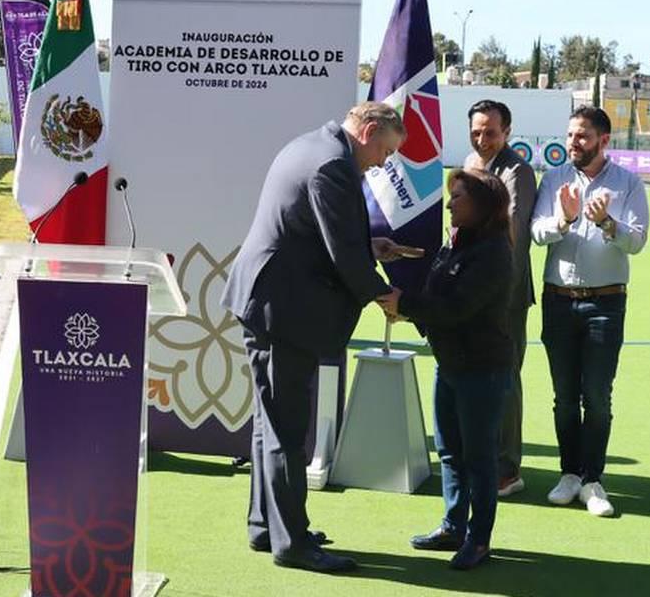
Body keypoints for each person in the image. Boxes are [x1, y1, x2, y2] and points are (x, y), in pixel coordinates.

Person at [221, 101, 419, 572]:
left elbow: (314, 232)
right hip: (282, 310)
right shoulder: (332, 163)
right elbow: (342, 257)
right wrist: (386, 294)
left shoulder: (312, 145)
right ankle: (292, 543)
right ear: (369, 130)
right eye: (386, 152)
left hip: (272, 302)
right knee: (285, 428)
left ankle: (266, 526)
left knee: (270, 422)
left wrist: (371, 246)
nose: (383, 163)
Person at [380, 168, 514, 571]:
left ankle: (479, 539)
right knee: (450, 453)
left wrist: (404, 304)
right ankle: (453, 526)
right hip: (451, 363)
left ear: (483, 206)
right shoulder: (456, 243)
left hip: (481, 369)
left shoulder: (492, 253)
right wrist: (407, 302)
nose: (450, 203)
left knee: (479, 457)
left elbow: (457, 308)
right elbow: (439, 297)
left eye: (458, 197)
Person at [530, 105, 649, 518]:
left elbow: (637, 242)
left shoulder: (629, 183)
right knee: (564, 396)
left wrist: (607, 223)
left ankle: (593, 479)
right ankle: (569, 474)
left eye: (581, 136)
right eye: (570, 135)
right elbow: (536, 232)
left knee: (596, 395)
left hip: (605, 302)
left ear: (603, 140)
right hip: (558, 299)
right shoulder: (555, 179)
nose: (572, 143)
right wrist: (563, 220)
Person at [462, 100, 537, 499]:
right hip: (470, 292)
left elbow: (512, 233)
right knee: (474, 375)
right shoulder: (471, 162)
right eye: (476, 131)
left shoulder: (517, 171)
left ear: (507, 131)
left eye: (490, 132)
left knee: (505, 377)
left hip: (504, 294)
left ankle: (507, 466)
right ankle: (480, 457)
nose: (482, 138)